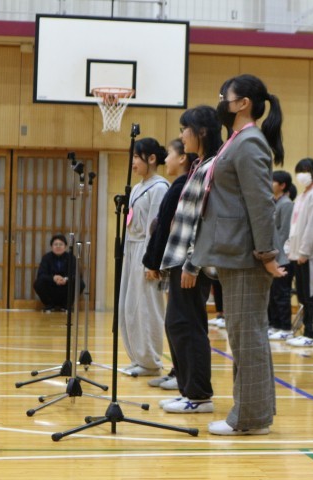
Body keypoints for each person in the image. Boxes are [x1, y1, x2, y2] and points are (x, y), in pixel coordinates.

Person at [188, 74, 286, 436]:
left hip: (247, 256)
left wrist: (266, 253)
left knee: (248, 339)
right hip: (235, 254)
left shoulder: (249, 143)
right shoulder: (238, 140)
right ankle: (255, 412)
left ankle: (249, 418)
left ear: (243, 103)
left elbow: (261, 203)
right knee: (246, 338)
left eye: (223, 97)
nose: (219, 102)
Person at [157, 106, 224, 413]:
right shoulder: (199, 165)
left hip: (191, 263)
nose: (182, 135)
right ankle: (187, 391)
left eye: (185, 129)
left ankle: (199, 395)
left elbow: (206, 221)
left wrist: (192, 263)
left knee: (188, 326)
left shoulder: (212, 167)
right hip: (180, 259)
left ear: (203, 132)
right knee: (176, 324)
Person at [141, 141, 193, 391]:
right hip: (172, 263)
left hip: (179, 263)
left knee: (180, 322)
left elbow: (164, 227)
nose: (166, 159)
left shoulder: (182, 187)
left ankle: (184, 377)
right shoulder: (178, 185)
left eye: (170, 154)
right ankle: (177, 371)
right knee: (174, 322)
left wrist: (152, 262)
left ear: (182, 158)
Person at [118, 137, 170, 377]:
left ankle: (151, 360)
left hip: (145, 251)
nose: (133, 162)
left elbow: (154, 228)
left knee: (147, 307)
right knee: (130, 306)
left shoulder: (159, 188)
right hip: (131, 248)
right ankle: (138, 357)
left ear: (151, 158)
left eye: (137, 157)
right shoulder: (138, 187)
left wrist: (152, 262)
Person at [285, 158, 313, 347]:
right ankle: (306, 331)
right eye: (299, 171)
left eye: (306, 170)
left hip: (311, 255)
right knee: (303, 295)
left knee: (311, 294)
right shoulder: (302, 196)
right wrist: (291, 250)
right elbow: (295, 226)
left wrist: (304, 251)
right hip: (297, 254)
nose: (302, 174)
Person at [268, 170, 296, 340]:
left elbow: (284, 232)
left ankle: (285, 327)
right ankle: (274, 324)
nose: (269, 184)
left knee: (281, 294)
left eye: (273, 181)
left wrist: (276, 254)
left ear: (282, 185)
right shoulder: (274, 202)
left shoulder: (286, 204)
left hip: (282, 257)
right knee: (273, 293)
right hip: (274, 255)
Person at [33, 234, 82, 312]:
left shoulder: (71, 257)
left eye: (61, 244)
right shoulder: (46, 258)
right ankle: (49, 305)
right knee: (38, 283)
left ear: (65, 246)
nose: (58, 246)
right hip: (51, 286)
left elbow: (76, 274)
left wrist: (65, 279)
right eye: (55, 244)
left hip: (65, 287)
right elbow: (41, 274)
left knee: (80, 283)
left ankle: (66, 305)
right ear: (51, 246)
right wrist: (53, 278)